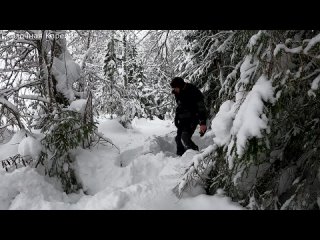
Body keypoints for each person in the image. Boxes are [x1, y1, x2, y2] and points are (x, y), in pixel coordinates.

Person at [171, 77, 207, 156]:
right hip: (183, 119)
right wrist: (177, 118)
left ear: (180, 86)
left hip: (193, 118)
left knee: (184, 138)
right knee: (178, 139)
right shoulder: (178, 93)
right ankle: (181, 156)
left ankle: (196, 155)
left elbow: (201, 107)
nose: (175, 90)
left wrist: (203, 122)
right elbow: (180, 107)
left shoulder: (193, 91)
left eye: (176, 88)